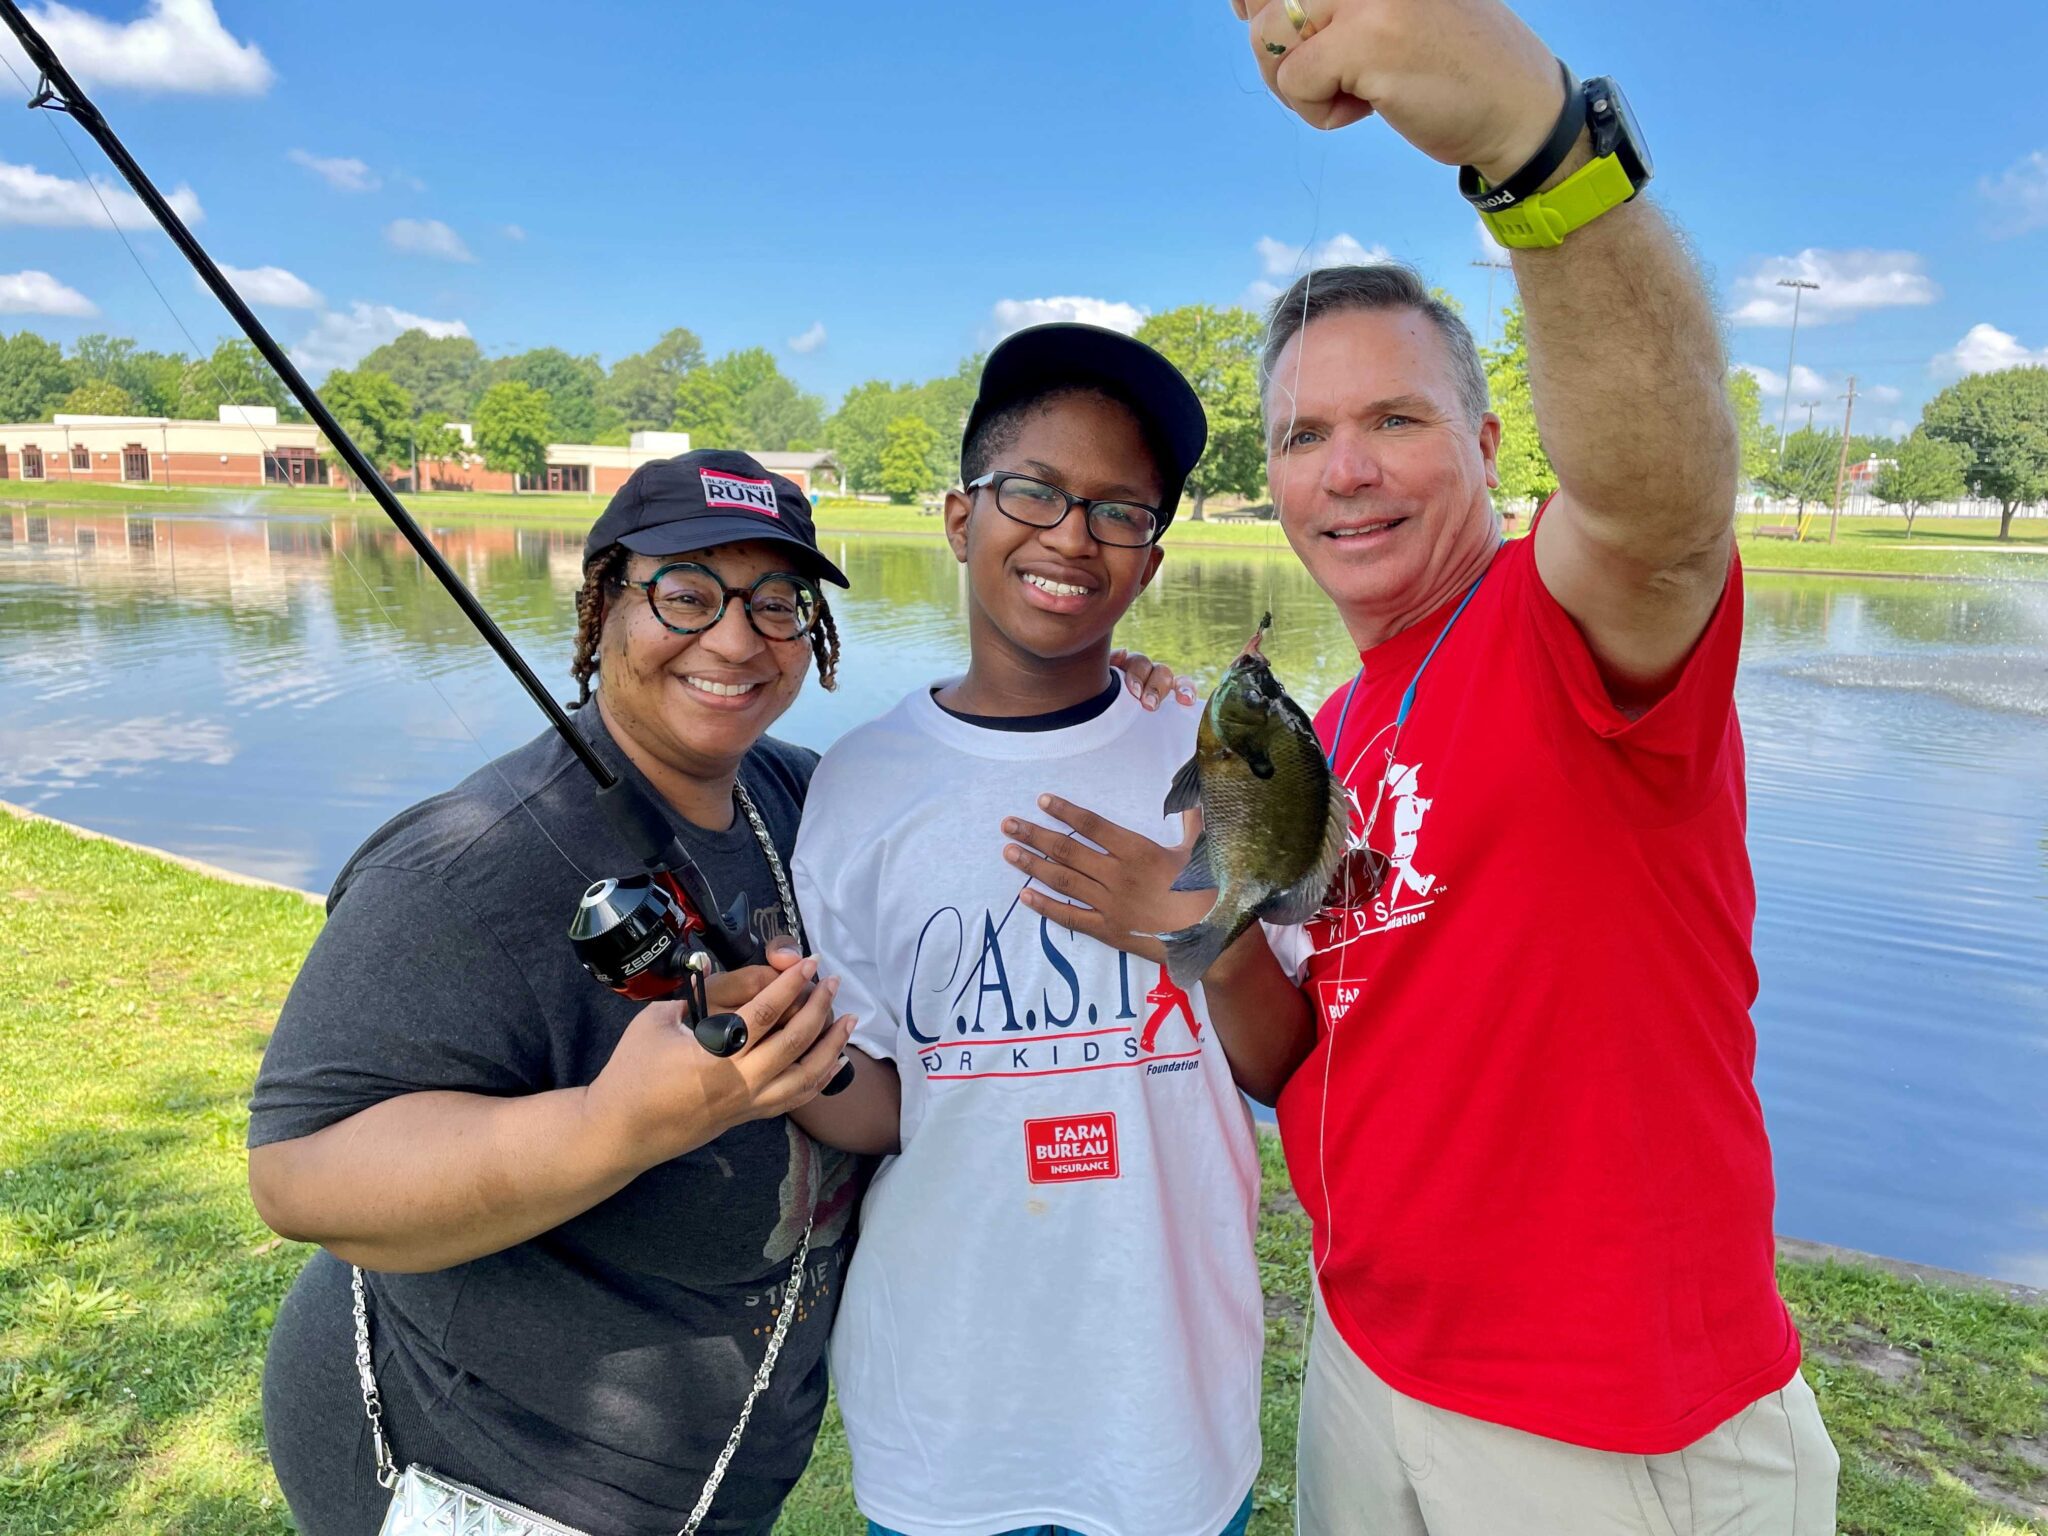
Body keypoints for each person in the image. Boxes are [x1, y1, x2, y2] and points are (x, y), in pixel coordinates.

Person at [1001, 2, 1841, 1531]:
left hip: (1597, 1425)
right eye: (1308, 433)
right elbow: (1315, 1062)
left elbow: (1661, 500)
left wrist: (1537, 149)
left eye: (1397, 417)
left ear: (1490, 442)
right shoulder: (1355, 720)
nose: (1350, 466)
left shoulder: (1558, 624)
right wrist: (1188, 927)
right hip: (1369, 1361)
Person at [246, 450, 865, 1536]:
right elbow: (300, 1176)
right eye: (685, 592)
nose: (734, 638)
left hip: (707, 1477)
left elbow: (968, 786)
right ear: (601, 606)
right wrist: (610, 1126)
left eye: (776, 602)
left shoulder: (803, 796)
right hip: (471, 1471)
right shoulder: (462, 865)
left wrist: (1126, 692)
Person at [786, 324, 1266, 1536]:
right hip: (947, 1413)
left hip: (1169, 1406)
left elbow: (1279, 1058)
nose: (1068, 536)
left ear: (1150, 564)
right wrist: (779, 1059)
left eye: (1118, 512)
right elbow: (892, 1100)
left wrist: (1196, 931)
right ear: (959, 518)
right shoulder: (857, 784)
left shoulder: (1205, 752)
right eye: (1033, 492)